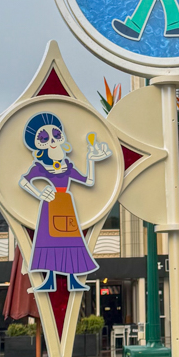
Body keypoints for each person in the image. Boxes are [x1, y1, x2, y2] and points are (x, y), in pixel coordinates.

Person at [19, 112, 111, 292]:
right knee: (49, 242)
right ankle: (49, 281)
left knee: (70, 242)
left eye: (56, 135)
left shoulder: (67, 166)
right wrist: (39, 193)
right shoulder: (40, 167)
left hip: (66, 205)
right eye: (44, 138)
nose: (52, 141)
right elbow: (23, 181)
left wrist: (90, 160)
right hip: (50, 206)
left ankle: (73, 280)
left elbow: (89, 181)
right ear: (36, 145)